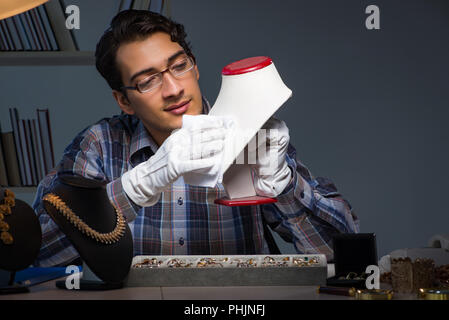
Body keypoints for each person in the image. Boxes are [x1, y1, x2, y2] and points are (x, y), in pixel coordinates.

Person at [32, 10, 359, 267]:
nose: (173, 89)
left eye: (179, 66)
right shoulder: (100, 144)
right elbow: (34, 253)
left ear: (196, 67)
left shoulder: (248, 135)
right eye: (147, 81)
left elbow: (343, 252)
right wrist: (131, 189)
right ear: (124, 100)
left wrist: (286, 185)